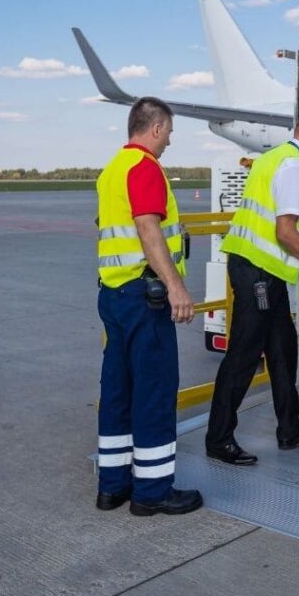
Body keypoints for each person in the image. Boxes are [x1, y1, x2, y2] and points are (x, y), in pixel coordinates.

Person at [205, 109, 299, 466]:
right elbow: (285, 231)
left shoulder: (271, 158)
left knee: (283, 348)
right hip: (258, 273)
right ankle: (219, 438)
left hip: (262, 270)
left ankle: (290, 428)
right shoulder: (295, 166)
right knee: (244, 353)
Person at [95, 97, 202, 516]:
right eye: (169, 133)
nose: (169, 142)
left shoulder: (112, 170)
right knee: (154, 390)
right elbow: (147, 227)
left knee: (117, 391)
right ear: (155, 128)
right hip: (144, 297)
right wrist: (176, 287)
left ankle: (112, 486)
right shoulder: (144, 167)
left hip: (113, 293)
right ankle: (152, 492)